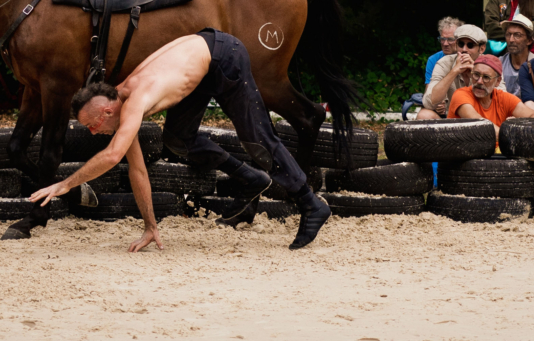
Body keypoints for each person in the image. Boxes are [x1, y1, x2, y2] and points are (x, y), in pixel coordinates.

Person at [29, 29, 330, 251]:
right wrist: (150, 227)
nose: (92, 133)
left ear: (107, 110)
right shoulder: (123, 105)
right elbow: (137, 170)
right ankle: (249, 178)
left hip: (224, 57)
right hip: (202, 65)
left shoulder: (135, 101)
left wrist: (65, 184)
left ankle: (310, 203)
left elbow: (111, 156)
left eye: (92, 125)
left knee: (258, 140)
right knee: (176, 138)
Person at [448, 55, 534, 133]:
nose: (479, 81)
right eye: (476, 74)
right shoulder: (460, 95)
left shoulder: (504, 98)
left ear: (498, 81)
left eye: (486, 77)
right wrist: (512, 132)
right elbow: (481, 125)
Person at [418, 25, 488, 119]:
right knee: (424, 115)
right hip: (451, 122)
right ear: (456, 45)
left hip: (482, 119)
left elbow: (500, 99)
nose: (464, 49)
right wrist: (454, 71)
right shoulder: (443, 63)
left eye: (470, 45)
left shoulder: (490, 65)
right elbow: (428, 103)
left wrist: (476, 74)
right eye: (461, 44)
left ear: (482, 49)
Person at [500, 14, 534, 96]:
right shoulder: (499, 63)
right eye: (508, 35)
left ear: (529, 40)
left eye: (517, 35)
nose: (511, 40)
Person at [425, 16, 463, 85]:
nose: (445, 44)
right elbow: (429, 91)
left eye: (450, 39)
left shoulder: (467, 58)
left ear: (460, 40)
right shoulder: (433, 60)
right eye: (442, 39)